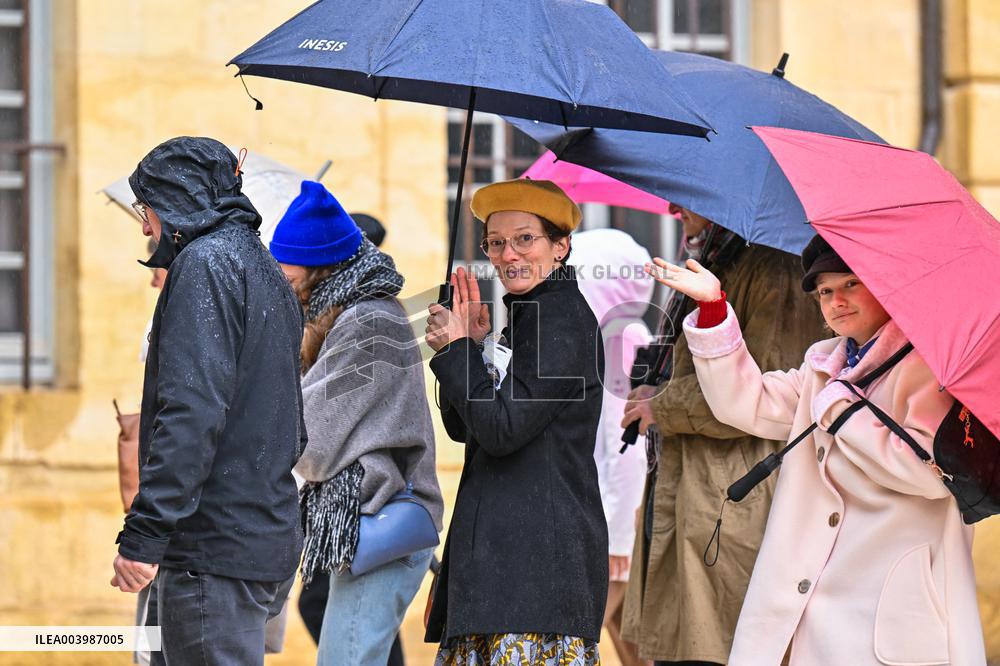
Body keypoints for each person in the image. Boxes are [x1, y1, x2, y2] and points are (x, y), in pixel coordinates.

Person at [646, 234, 987, 665]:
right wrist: (714, 310)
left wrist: (842, 411)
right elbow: (745, 403)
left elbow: (932, 476)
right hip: (822, 601)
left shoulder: (929, 368)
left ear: (884, 285)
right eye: (825, 291)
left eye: (850, 284)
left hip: (895, 605)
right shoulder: (825, 364)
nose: (835, 301)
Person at [112, 137, 305, 666]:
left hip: (214, 548)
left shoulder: (205, 264)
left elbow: (192, 414)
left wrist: (144, 535)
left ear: (176, 200)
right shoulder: (262, 266)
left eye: (146, 208)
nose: (146, 228)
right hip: (255, 537)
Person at [619, 205, 827, 665]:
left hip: (734, 498)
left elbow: (766, 389)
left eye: (686, 196)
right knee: (682, 648)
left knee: (720, 649)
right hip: (690, 489)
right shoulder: (719, 257)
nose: (673, 208)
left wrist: (662, 404)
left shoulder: (773, 267)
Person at [424, 179, 607, 665]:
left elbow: (501, 431)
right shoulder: (529, 317)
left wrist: (457, 351)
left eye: (525, 238)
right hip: (504, 573)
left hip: (536, 577)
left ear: (560, 245)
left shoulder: (561, 320)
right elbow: (470, 429)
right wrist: (474, 348)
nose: (508, 254)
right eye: (496, 242)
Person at [270, 181, 444, 666]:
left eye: (285, 264)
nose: (278, 274)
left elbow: (309, 438)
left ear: (318, 264)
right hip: (358, 516)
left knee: (347, 660)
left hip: (382, 515)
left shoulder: (370, 322)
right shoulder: (332, 317)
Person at [569, 229, 653, 666]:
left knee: (574, 642)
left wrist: (618, 539)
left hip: (610, 524)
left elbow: (628, 447)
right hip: (602, 516)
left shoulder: (619, 339)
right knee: (631, 644)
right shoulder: (601, 337)